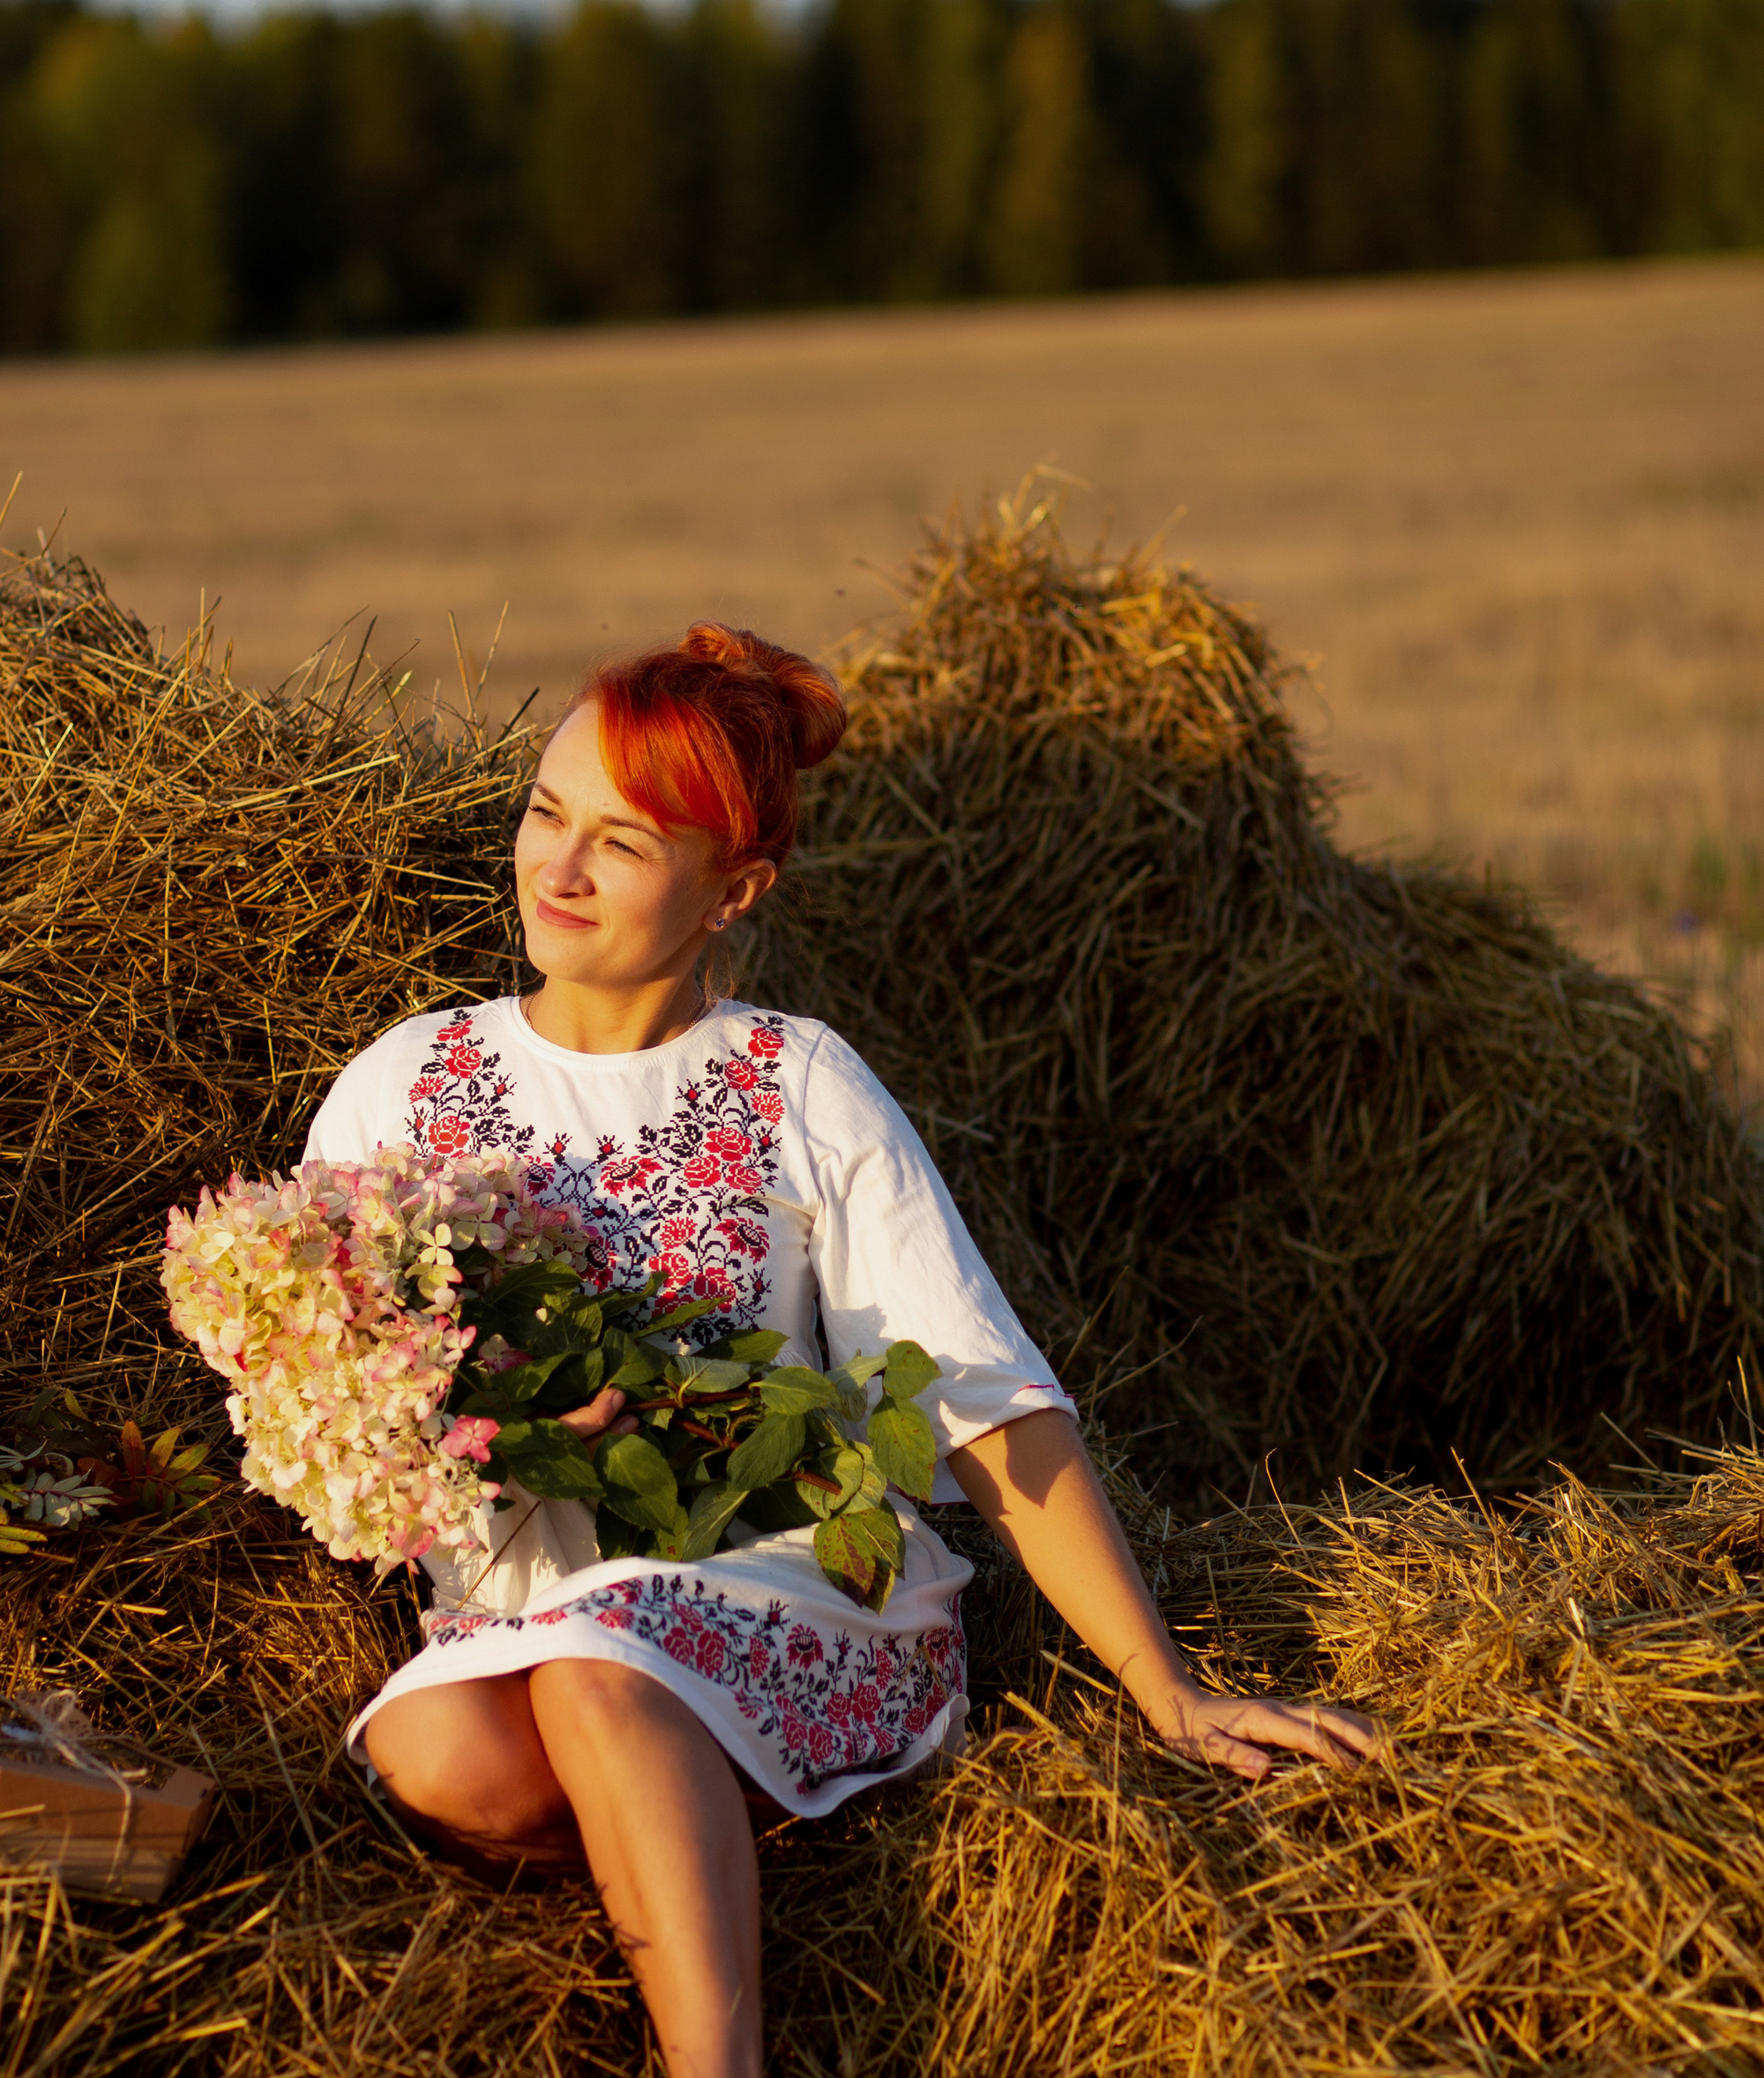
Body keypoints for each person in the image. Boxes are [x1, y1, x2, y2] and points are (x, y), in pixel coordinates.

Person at [303, 624, 1378, 2078]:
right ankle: (680, 1805)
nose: (559, 868)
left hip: (792, 1587)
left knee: (603, 1675)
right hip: (518, 1614)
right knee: (441, 1755)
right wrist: (463, 1435)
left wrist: (1164, 1686)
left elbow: (984, 1397)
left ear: (733, 890)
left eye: (623, 843)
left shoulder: (795, 1081)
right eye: (549, 813)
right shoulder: (407, 1083)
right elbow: (329, 1392)